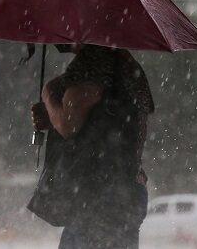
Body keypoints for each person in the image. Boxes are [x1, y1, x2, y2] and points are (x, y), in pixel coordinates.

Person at [30, 44, 154, 249]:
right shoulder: (129, 66)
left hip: (97, 194)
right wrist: (52, 118)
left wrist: (49, 94)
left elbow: (67, 123)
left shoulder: (95, 60)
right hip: (128, 189)